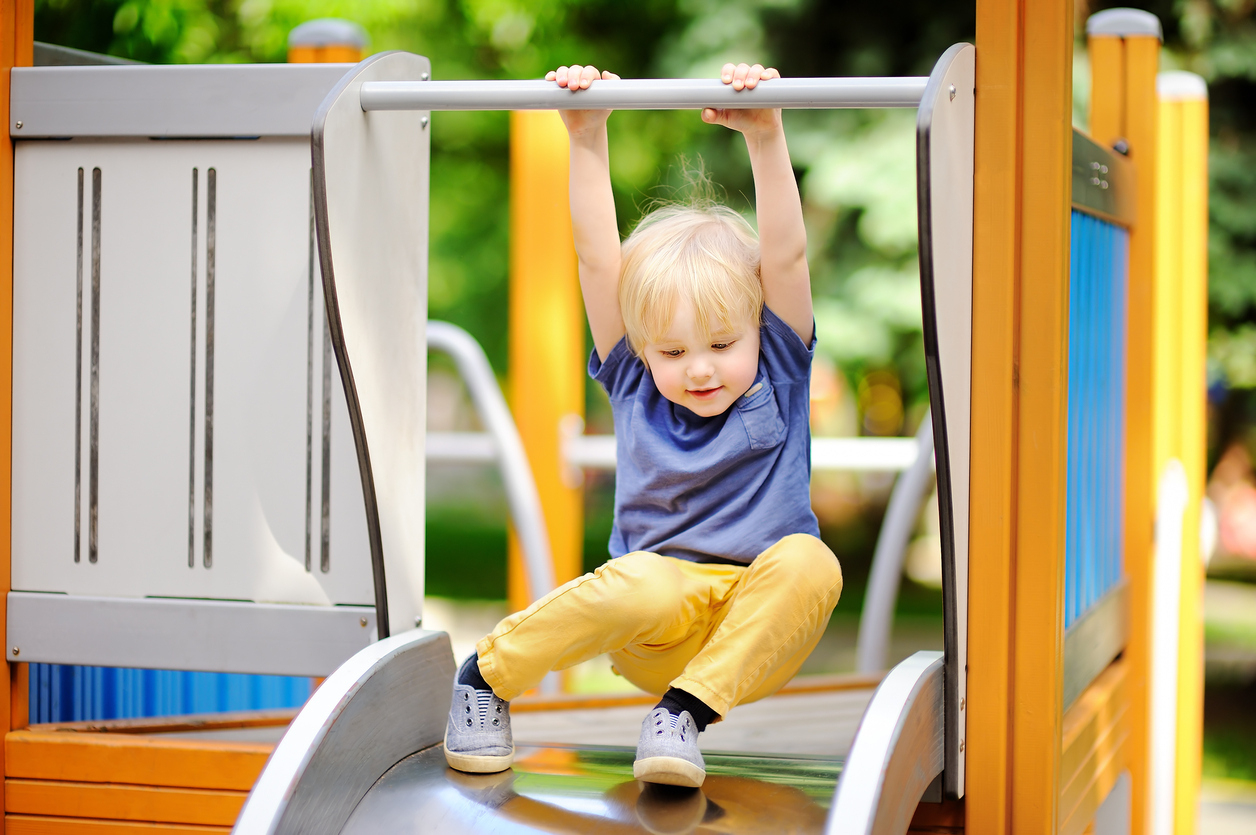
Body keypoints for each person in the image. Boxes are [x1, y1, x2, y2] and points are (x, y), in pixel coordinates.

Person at [444, 62, 843, 788]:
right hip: (657, 622)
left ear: (757, 329)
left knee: (812, 561)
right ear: (643, 346)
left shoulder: (780, 365)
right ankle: (485, 676)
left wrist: (766, 136)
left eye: (722, 345)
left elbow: (784, 253)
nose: (699, 368)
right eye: (674, 350)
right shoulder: (633, 378)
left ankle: (682, 715)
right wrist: (587, 135)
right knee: (646, 585)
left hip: (754, 619)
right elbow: (599, 256)